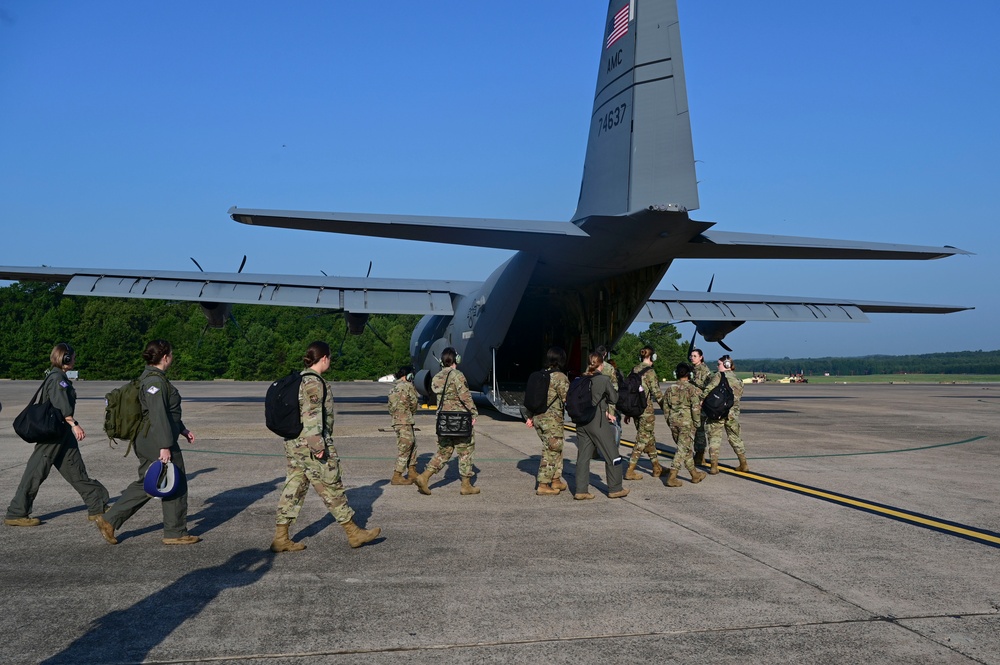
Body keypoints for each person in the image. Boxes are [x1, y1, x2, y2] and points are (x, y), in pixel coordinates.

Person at [267, 341, 381, 552]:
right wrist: (317, 445)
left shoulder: (299, 379)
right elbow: (311, 416)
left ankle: (280, 537)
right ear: (325, 358)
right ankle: (353, 532)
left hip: (294, 443)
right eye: (330, 358)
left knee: (294, 487)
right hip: (310, 442)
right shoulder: (313, 383)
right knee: (331, 485)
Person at [95, 340, 199, 545]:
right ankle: (175, 532)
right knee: (174, 481)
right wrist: (165, 446)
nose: (172, 358)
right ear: (165, 357)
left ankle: (109, 519)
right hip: (155, 439)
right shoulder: (155, 382)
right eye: (171, 354)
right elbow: (158, 415)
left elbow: (167, 413)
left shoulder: (151, 378)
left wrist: (182, 429)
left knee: (148, 483)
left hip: (150, 437)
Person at [5, 343, 109, 527]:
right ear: (65, 358)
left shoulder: (58, 377)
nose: (75, 360)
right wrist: (74, 424)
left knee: (76, 470)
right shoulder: (57, 379)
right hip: (54, 433)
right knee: (36, 471)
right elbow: (62, 406)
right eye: (73, 357)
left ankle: (96, 506)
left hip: (62, 433)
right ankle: (17, 512)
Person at [414, 346, 480, 496]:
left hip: (443, 420)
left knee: (444, 451)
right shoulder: (458, 375)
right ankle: (466, 485)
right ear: (456, 360)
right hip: (460, 419)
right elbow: (465, 396)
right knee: (465, 451)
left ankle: (424, 477)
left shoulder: (437, 377)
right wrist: (474, 413)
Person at [573, 352, 628, 500]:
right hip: (597, 420)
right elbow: (614, 398)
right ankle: (615, 488)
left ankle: (581, 490)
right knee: (612, 454)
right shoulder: (603, 379)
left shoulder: (580, 379)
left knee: (583, 457)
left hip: (582, 422)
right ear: (601, 365)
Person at [526, 346, 570, 496]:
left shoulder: (540, 374)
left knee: (556, 448)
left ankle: (556, 479)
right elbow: (567, 399)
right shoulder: (560, 377)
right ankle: (544, 484)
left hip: (538, 417)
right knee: (551, 450)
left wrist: (530, 416)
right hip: (552, 420)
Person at [702, 355, 748, 474]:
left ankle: (713, 466)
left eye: (719, 364)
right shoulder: (738, 381)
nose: (717, 367)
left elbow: (708, 390)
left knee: (714, 439)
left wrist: (702, 402)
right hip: (733, 414)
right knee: (735, 438)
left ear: (726, 365)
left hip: (718, 412)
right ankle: (743, 463)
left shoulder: (718, 376)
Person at [663, 363, 707, 487]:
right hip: (686, 423)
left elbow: (666, 407)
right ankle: (672, 476)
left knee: (685, 449)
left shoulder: (670, 389)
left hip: (673, 421)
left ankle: (694, 475)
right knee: (682, 449)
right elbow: (695, 408)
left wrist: (669, 420)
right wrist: (697, 422)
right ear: (690, 375)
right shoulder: (693, 389)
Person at [624, 346, 664, 481]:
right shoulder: (651, 373)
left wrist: (628, 412)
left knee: (649, 438)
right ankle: (630, 469)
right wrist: (667, 409)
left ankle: (656, 467)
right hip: (646, 410)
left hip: (635, 410)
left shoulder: (634, 370)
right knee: (642, 440)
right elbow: (657, 394)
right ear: (653, 357)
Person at [387, 365, 420, 485]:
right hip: (405, 420)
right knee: (406, 447)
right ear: (409, 376)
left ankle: (412, 471)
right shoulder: (408, 387)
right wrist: (409, 413)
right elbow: (414, 404)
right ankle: (397, 475)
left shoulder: (393, 389)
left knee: (412, 445)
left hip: (397, 421)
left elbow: (390, 408)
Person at [688, 348, 712, 466]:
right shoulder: (693, 369)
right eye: (691, 356)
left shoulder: (703, 370)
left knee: (700, 429)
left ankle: (700, 454)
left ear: (701, 357)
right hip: (693, 403)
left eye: (695, 356)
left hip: (700, 404)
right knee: (695, 429)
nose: (692, 358)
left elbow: (707, 386)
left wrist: (702, 399)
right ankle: (697, 453)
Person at [595, 345, 622, 448]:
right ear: (605, 354)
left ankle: (594, 450)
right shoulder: (609, 368)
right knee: (611, 424)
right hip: (607, 400)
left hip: (594, 400)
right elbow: (615, 386)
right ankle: (611, 448)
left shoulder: (590, 366)